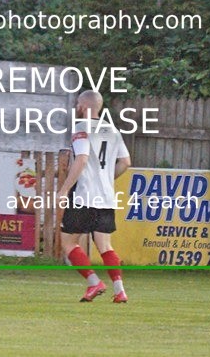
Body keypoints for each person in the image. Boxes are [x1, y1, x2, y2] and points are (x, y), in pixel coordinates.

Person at [56, 90, 131, 303]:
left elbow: (81, 159)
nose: (77, 107)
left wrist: (64, 190)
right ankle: (120, 291)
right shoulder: (113, 131)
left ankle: (94, 282)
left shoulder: (81, 128)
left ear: (83, 106)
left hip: (83, 196)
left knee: (69, 244)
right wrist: (107, 179)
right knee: (105, 246)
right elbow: (125, 162)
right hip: (106, 197)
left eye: (78, 103)